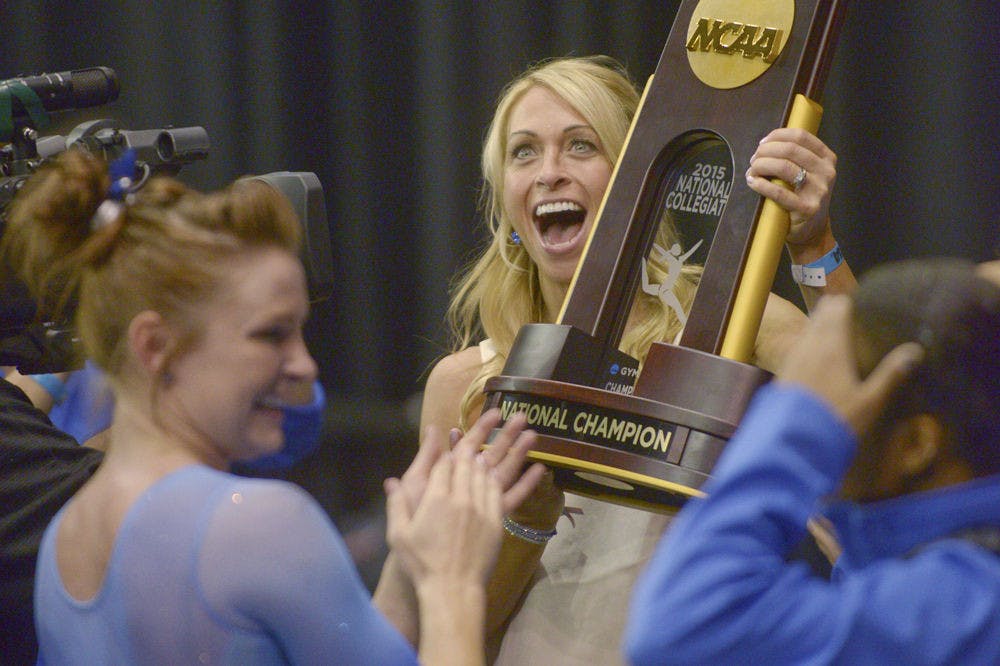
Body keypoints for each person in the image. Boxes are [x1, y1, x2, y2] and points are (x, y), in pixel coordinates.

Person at [2, 148, 544, 665]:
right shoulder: (258, 525)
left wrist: (406, 566)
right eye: (271, 336)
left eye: (300, 333)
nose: (305, 367)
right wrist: (453, 582)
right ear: (154, 345)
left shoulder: (62, 539)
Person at [419, 55, 856, 663]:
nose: (549, 173)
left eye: (580, 146)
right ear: (506, 203)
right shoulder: (465, 385)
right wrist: (525, 526)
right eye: (524, 152)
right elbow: (441, 626)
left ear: (641, 180)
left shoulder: (733, 326)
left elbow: (876, 394)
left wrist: (814, 245)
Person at [624, 257, 1000, 664]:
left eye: (839, 395)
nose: (834, 410)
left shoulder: (964, 606)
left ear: (914, 445)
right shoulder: (920, 568)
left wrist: (801, 420)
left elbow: (680, 627)